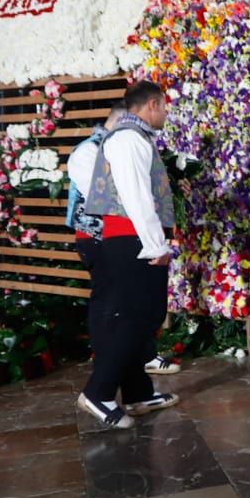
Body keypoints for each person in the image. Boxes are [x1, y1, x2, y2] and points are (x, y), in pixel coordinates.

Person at [75, 81, 180, 430]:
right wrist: (155, 244)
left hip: (132, 237)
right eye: (163, 106)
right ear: (151, 104)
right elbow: (136, 196)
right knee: (138, 317)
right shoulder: (128, 140)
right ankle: (99, 391)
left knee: (140, 316)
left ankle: (137, 392)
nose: (165, 113)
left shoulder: (132, 138)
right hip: (131, 239)